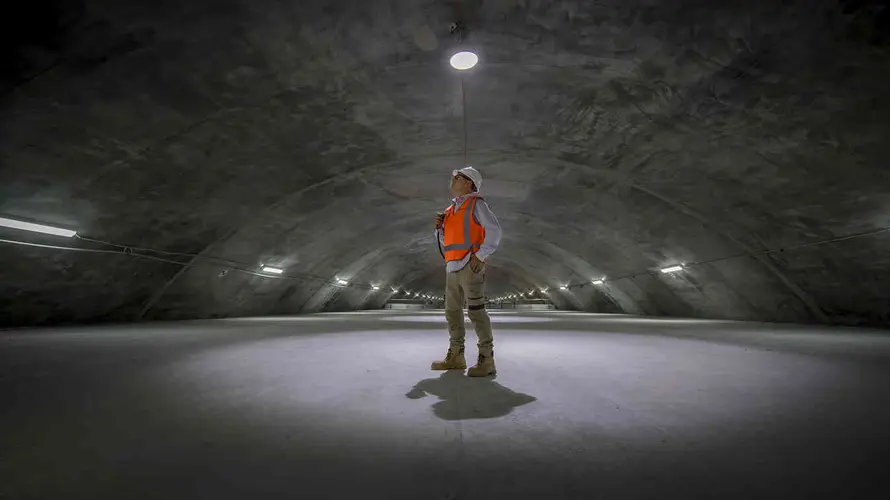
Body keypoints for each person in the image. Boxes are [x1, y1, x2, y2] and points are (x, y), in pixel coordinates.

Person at [431, 166, 502, 377]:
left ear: (469, 183)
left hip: (470, 266)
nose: (453, 179)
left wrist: (480, 256)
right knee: (452, 312)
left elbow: (495, 230)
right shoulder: (449, 210)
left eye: (458, 177)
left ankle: (486, 359)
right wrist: (440, 229)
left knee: (476, 312)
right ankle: (456, 356)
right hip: (452, 266)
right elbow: (447, 241)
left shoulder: (477, 205)